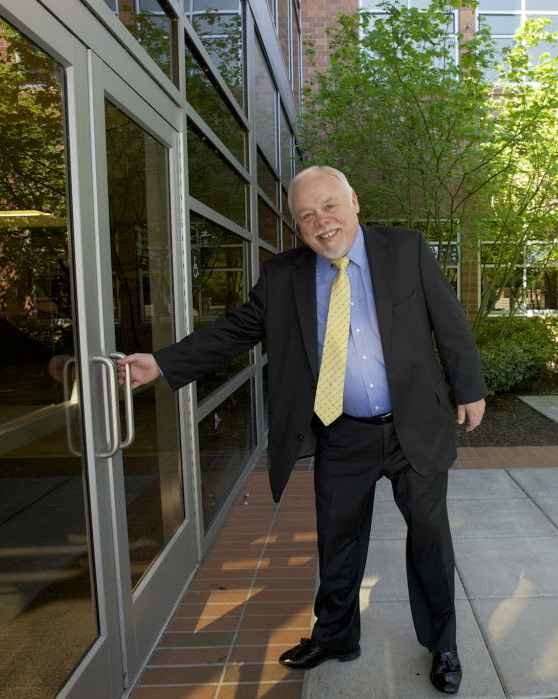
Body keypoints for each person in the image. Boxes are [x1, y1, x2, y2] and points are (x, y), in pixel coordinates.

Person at [117, 165, 486, 694]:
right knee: (337, 543)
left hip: (413, 427)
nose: (322, 222)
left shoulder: (404, 249)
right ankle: (336, 636)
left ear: (354, 201)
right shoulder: (283, 275)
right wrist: (161, 363)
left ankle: (443, 644)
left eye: (330, 206)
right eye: (307, 214)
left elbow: (448, 320)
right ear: (297, 223)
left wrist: (468, 388)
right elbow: (235, 330)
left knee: (429, 539)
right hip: (342, 433)